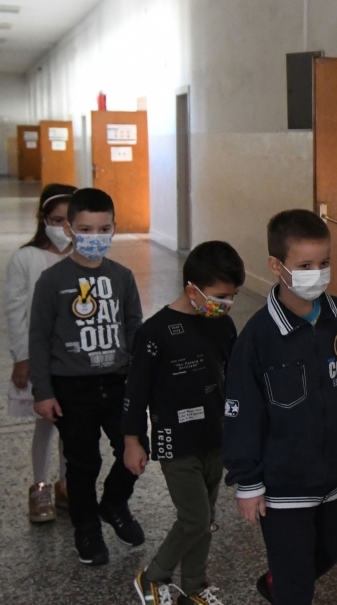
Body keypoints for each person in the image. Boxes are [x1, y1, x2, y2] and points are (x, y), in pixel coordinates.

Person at [223, 209, 337, 605]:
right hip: (283, 487)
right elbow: (241, 413)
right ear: (277, 266)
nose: (318, 273)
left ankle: (280, 582)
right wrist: (248, 481)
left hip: (335, 475)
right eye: (305, 265)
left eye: (324, 263)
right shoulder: (258, 336)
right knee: (297, 584)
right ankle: (288, 586)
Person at [123, 241, 245, 605]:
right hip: (175, 442)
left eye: (233, 296)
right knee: (194, 518)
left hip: (215, 436)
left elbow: (234, 377)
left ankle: (193, 587)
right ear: (192, 289)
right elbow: (135, 392)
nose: (226, 304)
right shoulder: (155, 333)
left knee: (205, 519)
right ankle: (153, 576)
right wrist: (133, 439)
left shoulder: (221, 325)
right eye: (220, 296)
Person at [30, 187, 146, 565]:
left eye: (103, 229)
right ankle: (86, 528)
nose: (94, 237)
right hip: (72, 387)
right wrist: (43, 391)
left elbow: (134, 329)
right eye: (85, 229)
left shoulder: (123, 277)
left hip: (117, 383)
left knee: (137, 447)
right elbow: (39, 338)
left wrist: (138, 378)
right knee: (82, 463)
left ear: (113, 228)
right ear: (70, 231)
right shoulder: (52, 280)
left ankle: (113, 503)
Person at [4, 183, 76, 523]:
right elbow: (15, 311)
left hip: (75, 358)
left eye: (69, 220)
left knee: (72, 426)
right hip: (41, 357)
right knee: (45, 424)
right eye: (55, 219)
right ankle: (40, 486)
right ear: (43, 219)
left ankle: (67, 484)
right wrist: (22, 357)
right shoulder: (25, 258)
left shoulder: (85, 258)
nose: (62, 228)